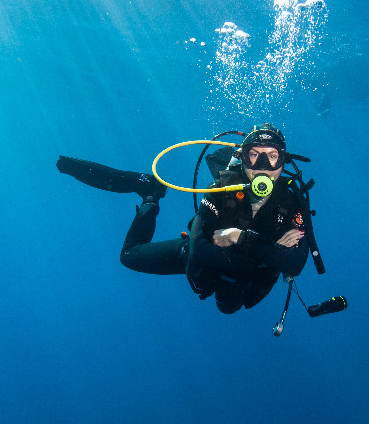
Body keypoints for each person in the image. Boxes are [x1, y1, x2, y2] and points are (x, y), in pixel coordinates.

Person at [57, 124, 309, 314]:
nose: (263, 165)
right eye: (254, 155)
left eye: (272, 156)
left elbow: (296, 264)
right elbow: (200, 252)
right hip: (197, 259)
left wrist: (238, 238)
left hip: (239, 279)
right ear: (243, 158)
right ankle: (150, 193)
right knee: (128, 256)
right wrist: (270, 254)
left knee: (230, 306)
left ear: (283, 160)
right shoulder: (220, 188)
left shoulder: (293, 202)